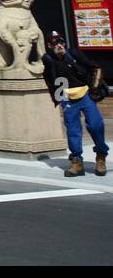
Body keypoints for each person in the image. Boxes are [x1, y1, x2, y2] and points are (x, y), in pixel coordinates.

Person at [42, 34, 108, 177]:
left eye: (61, 42)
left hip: (85, 93)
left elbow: (96, 68)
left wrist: (95, 88)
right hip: (66, 96)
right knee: (73, 129)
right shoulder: (48, 59)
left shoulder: (74, 54)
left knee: (95, 124)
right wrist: (59, 99)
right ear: (49, 46)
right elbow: (49, 79)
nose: (59, 45)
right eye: (55, 43)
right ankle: (76, 161)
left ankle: (101, 156)